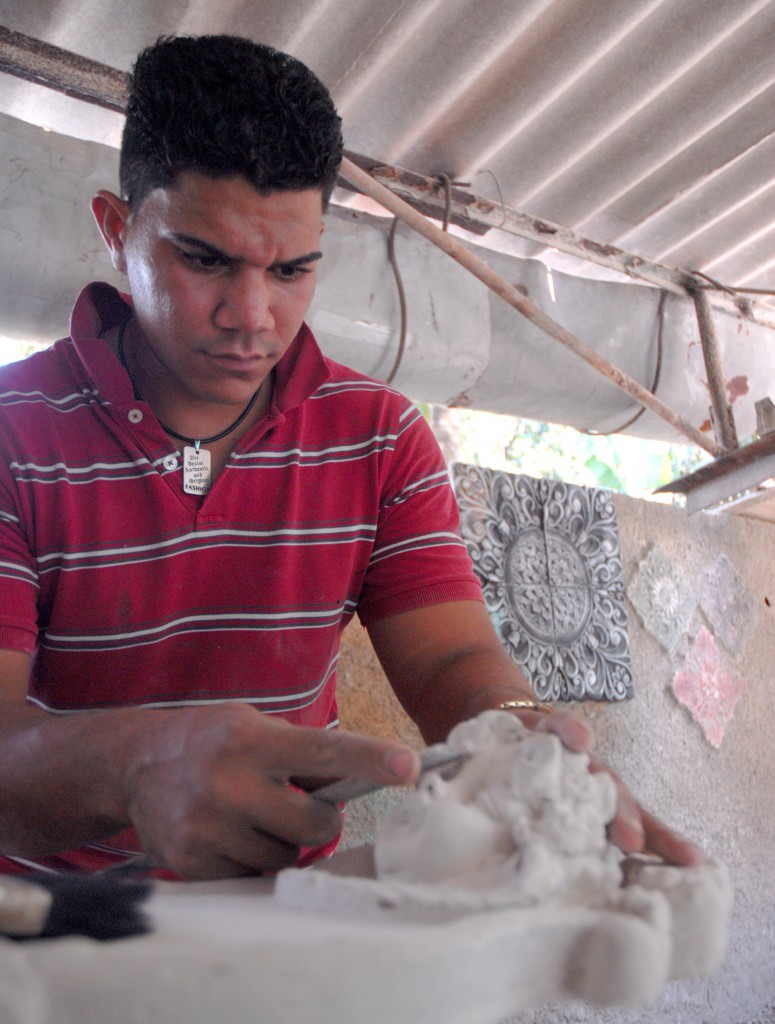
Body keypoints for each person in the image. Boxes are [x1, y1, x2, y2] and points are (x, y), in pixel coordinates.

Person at [0, 34, 701, 880]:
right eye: (205, 260)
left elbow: (451, 661)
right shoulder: (13, 436)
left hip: (290, 907)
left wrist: (521, 738)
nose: (252, 315)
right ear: (117, 230)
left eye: (292, 268)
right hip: (54, 921)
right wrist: (134, 761)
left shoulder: (378, 439)